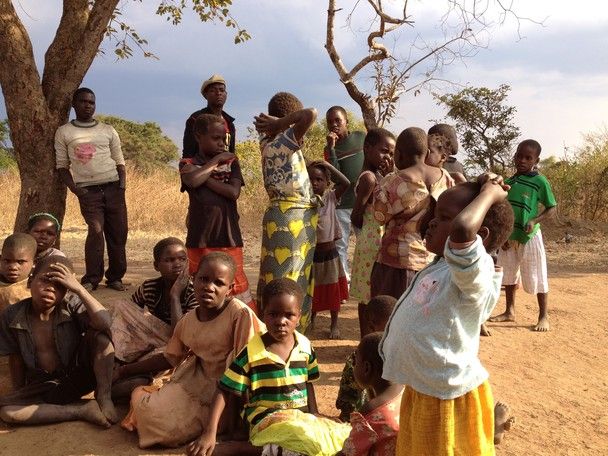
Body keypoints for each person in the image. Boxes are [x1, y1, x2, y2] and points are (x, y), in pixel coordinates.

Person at [379, 177, 515, 455]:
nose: (431, 222)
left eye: (443, 218)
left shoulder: (475, 273)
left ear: (480, 235)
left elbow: (463, 230)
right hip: (423, 387)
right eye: (435, 215)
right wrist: (479, 183)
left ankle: (491, 427)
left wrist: (489, 194)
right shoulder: (441, 265)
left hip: (446, 397)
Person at [188, 278, 351, 456]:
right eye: (273, 314)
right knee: (299, 443)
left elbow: (308, 382)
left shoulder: (305, 346)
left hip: (300, 420)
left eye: (289, 315)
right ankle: (239, 449)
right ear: (263, 313)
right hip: (267, 422)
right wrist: (210, 433)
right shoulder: (251, 353)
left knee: (339, 435)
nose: (281, 321)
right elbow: (224, 390)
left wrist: (315, 413)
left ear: (299, 316)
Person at [120, 252, 263, 448]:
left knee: (236, 361)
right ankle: (144, 394)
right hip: (198, 386)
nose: (209, 287)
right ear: (193, 280)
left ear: (229, 289)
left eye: (218, 283)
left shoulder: (239, 314)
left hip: (233, 392)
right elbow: (171, 358)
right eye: (203, 279)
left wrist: (224, 429)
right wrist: (125, 370)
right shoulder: (188, 321)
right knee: (151, 415)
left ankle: (226, 427)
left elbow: (246, 369)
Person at [0, 255, 118, 427]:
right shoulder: (11, 315)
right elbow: (15, 358)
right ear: (30, 281)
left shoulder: (71, 305)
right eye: (45, 280)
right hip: (43, 385)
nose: (50, 288)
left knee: (101, 338)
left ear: (67, 290)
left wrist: (79, 289)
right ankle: (82, 411)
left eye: (60, 285)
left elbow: (104, 323)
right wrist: (20, 393)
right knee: (8, 412)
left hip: (80, 375)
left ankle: (104, 396)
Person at [254, 93, 319, 331]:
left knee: (279, 275)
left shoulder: (267, 140)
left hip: (284, 216)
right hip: (291, 220)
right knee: (290, 277)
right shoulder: (282, 138)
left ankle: (274, 330)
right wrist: (282, 124)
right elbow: (310, 114)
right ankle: (289, 333)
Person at [55, 87, 128, 291]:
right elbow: (62, 166)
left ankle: (115, 278)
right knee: (96, 231)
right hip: (88, 192)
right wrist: (76, 190)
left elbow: (119, 160)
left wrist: (122, 185)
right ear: (74, 104)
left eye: (91, 102)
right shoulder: (64, 132)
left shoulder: (107, 130)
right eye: (83, 101)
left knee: (118, 233)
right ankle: (92, 279)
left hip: (113, 187)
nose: (88, 106)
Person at [180, 113, 255, 309]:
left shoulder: (231, 162)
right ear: (198, 137)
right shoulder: (187, 164)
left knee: (235, 285)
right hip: (200, 237)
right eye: (216, 138)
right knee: (200, 285)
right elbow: (192, 181)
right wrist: (215, 162)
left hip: (228, 235)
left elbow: (233, 192)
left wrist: (205, 176)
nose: (221, 143)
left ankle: (242, 324)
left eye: (224, 139)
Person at [371, 127, 453, 300]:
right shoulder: (445, 177)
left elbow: (379, 217)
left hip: (396, 263)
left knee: (389, 310)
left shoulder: (392, 181)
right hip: (432, 263)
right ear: (427, 152)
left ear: (398, 154)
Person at [491, 139, 557, 332]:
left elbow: (552, 207)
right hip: (509, 237)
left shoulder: (540, 182)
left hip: (530, 236)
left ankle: (543, 316)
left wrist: (535, 220)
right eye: (519, 156)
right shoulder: (509, 182)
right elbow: (502, 209)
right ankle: (509, 311)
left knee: (538, 274)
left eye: (528, 158)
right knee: (508, 274)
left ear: (536, 160)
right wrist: (502, 235)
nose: (522, 160)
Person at [110, 237, 197, 368]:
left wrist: (175, 296)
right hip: (152, 339)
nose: (177, 264)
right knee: (120, 306)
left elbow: (180, 335)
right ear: (156, 266)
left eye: (182, 259)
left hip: (178, 344)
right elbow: (129, 315)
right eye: (169, 260)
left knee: (166, 357)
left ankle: (130, 367)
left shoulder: (193, 292)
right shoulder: (149, 287)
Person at [349, 128, 396, 338]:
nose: (388, 157)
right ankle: (365, 340)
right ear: (367, 148)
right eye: (384, 151)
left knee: (373, 294)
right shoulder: (369, 179)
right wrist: (369, 230)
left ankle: (371, 339)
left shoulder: (379, 177)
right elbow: (355, 216)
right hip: (371, 244)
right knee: (367, 297)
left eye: (392, 154)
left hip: (377, 242)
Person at [338, 332, 404, 456]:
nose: (354, 367)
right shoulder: (405, 393)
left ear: (367, 368)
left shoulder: (371, 412)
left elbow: (348, 453)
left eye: (355, 362)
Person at [336, 295, 397, 422]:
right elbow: (348, 402)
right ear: (371, 326)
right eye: (390, 328)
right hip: (363, 419)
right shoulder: (360, 358)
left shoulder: (403, 354)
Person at [307, 160, 350, 339]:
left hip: (330, 253)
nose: (315, 183)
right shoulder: (304, 200)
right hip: (312, 254)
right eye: (311, 179)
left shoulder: (331, 197)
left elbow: (346, 183)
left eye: (319, 179)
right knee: (313, 289)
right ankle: (311, 321)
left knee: (332, 291)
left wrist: (328, 165)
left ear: (327, 182)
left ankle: (334, 325)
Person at [324, 106, 366, 282]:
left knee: (365, 243)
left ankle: (364, 280)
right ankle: (344, 283)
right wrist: (331, 148)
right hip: (342, 205)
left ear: (346, 121)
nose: (334, 125)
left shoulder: (361, 137)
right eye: (330, 122)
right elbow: (334, 177)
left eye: (338, 120)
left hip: (363, 202)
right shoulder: (328, 149)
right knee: (341, 245)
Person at [182, 74, 235, 159]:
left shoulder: (229, 123)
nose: (218, 93)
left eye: (222, 90)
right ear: (205, 95)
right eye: (213, 90)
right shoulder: (196, 118)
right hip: (202, 165)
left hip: (225, 166)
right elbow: (188, 152)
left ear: (226, 94)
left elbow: (231, 152)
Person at [0, 233, 36, 312]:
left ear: (34, 262)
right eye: (7, 261)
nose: (13, 267)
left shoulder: (35, 288)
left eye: (20, 262)